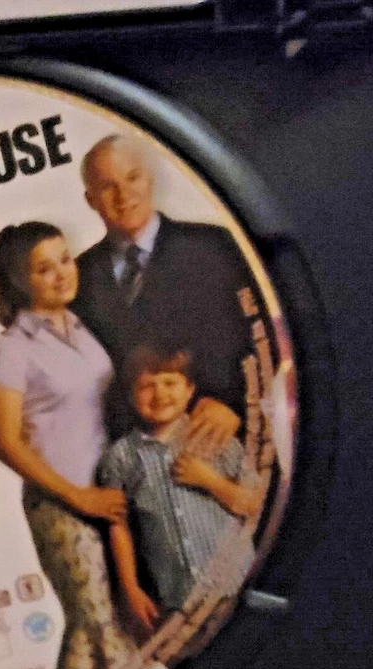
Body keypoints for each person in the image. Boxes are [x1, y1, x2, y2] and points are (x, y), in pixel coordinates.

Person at [0, 222, 136, 669]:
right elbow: (6, 443)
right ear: (19, 279)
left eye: (65, 260)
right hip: (62, 506)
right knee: (96, 626)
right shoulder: (11, 351)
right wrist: (77, 497)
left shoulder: (82, 326)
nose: (62, 274)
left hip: (110, 497)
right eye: (44, 269)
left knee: (111, 624)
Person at [73, 134, 257, 448]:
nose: (123, 195)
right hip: (127, 458)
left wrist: (233, 401)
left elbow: (262, 333)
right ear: (91, 199)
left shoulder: (214, 245)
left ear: (150, 178)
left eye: (133, 177)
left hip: (217, 443)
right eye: (107, 186)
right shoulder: (77, 276)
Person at [98, 346, 261, 633]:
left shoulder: (217, 437)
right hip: (178, 601)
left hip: (236, 585)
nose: (160, 394)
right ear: (131, 396)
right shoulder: (121, 456)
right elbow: (118, 525)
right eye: (147, 386)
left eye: (170, 383)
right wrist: (130, 588)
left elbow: (254, 504)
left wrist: (211, 481)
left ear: (189, 390)